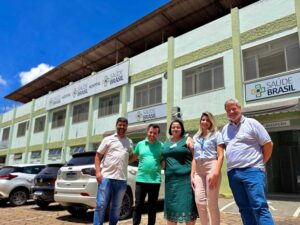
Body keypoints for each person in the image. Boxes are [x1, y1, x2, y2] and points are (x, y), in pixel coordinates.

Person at [221, 99, 274, 225]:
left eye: (233, 108)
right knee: (244, 208)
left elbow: (268, 144)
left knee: (259, 206)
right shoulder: (225, 129)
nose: (231, 112)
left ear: (240, 108)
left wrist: (260, 163)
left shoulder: (252, 123)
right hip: (233, 174)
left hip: (252, 171)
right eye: (228, 110)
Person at [93, 117, 133, 225]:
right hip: (106, 178)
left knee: (116, 207)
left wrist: (138, 157)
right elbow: (98, 156)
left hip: (121, 180)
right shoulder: (108, 139)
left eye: (124, 125)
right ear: (116, 125)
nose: (122, 127)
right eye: (120, 125)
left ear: (127, 127)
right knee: (101, 205)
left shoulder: (129, 142)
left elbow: (129, 157)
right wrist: (98, 172)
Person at [190, 112, 224, 225]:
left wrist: (216, 173)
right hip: (198, 170)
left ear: (211, 122)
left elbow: (221, 155)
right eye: (203, 119)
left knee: (212, 203)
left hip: (212, 166)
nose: (205, 122)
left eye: (207, 120)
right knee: (199, 202)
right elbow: (194, 157)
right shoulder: (196, 137)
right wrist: (192, 174)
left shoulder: (216, 134)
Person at [162, 119, 198, 225]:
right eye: (173, 127)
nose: (175, 129)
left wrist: (193, 174)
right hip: (170, 182)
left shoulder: (188, 139)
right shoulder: (166, 142)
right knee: (171, 207)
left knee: (187, 206)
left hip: (185, 180)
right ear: (170, 129)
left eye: (178, 127)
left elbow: (195, 157)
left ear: (181, 128)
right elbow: (163, 159)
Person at [132, 124, 164, 225]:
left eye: (155, 133)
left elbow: (163, 160)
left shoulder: (161, 146)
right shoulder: (140, 144)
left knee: (152, 207)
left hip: (155, 180)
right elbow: (134, 157)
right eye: (150, 132)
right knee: (138, 205)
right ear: (147, 132)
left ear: (158, 134)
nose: (152, 135)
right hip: (141, 180)